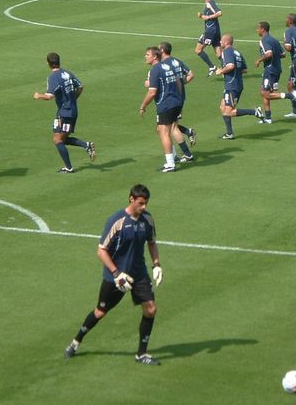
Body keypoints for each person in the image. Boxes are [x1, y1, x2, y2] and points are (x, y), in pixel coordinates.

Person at [63, 184, 163, 365]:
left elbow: (151, 242)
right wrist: (117, 274)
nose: (144, 207)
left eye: (146, 203)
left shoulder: (147, 220)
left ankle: (141, 354)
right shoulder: (117, 221)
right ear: (131, 199)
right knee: (100, 312)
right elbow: (101, 251)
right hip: (115, 276)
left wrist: (157, 265)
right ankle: (76, 341)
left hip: (139, 273)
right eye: (141, 203)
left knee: (151, 310)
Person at [33, 52, 95, 173]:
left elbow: (49, 96)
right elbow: (80, 87)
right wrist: (73, 99)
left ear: (48, 64)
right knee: (60, 138)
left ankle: (69, 168)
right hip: (65, 111)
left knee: (58, 140)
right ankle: (86, 145)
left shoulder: (52, 77)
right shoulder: (67, 73)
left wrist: (38, 95)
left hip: (66, 113)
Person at [139, 47, 190, 173]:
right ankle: (172, 156)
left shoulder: (156, 70)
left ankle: (170, 163)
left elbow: (152, 93)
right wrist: (179, 97)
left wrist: (143, 106)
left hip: (166, 104)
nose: (145, 57)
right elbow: (179, 81)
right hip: (176, 102)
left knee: (164, 132)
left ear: (154, 57)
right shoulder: (168, 66)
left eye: (147, 54)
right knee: (161, 129)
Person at [254, 21, 296, 124]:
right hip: (276, 69)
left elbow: (269, 54)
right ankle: (268, 118)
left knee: (265, 93)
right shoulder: (274, 40)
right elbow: (283, 54)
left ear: (263, 29)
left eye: (258, 28)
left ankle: (291, 96)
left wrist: (259, 60)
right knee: (265, 92)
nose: (257, 30)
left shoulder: (264, 40)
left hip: (270, 70)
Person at [217, 34, 261, 139]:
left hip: (232, 85)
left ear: (226, 42)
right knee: (222, 107)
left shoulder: (227, 51)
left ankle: (254, 111)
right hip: (235, 83)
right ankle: (229, 133)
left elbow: (231, 66)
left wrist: (221, 71)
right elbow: (244, 69)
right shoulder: (237, 52)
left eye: (221, 40)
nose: (220, 42)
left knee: (228, 112)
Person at [158, 42, 196, 155]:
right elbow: (191, 75)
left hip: (172, 99)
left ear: (162, 51)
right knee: (168, 124)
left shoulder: (165, 65)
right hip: (180, 97)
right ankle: (188, 132)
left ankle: (187, 154)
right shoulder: (176, 61)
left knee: (172, 127)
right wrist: (181, 83)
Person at [195, 0, 223, 76]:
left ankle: (212, 67)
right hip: (216, 30)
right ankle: (231, 67)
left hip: (210, 31)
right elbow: (208, 17)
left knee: (198, 50)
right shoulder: (208, 3)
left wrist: (208, 17)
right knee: (219, 54)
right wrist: (202, 16)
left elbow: (219, 13)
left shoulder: (209, 3)